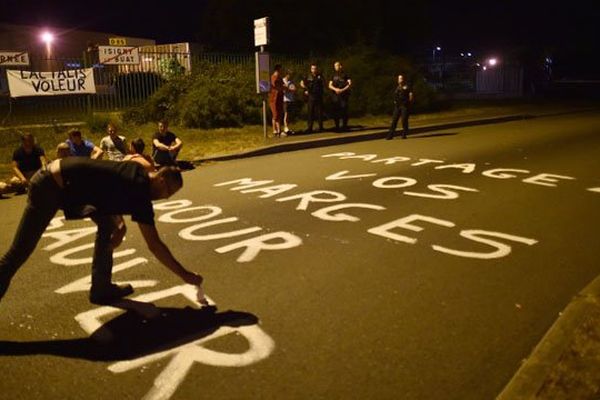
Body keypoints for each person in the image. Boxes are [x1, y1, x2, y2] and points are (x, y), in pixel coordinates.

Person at [0, 157, 203, 305]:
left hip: (66, 184)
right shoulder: (142, 192)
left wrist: (120, 226)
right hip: (49, 185)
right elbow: (155, 245)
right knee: (18, 252)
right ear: (160, 179)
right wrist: (185, 275)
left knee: (108, 227)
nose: (165, 197)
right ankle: (101, 287)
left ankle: (101, 288)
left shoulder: (137, 172)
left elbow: (110, 190)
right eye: (168, 191)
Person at [386, 74, 414, 140]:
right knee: (394, 120)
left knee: (404, 120)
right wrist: (395, 101)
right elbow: (395, 96)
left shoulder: (407, 87)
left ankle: (404, 133)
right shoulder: (397, 88)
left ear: (404, 79)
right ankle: (390, 135)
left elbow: (411, 95)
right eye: (399, 79)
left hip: (404, 106)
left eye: (401, 78)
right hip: (397, 106)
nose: (400, 80)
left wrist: (409, 103)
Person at [300, 64, 325, 133]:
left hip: (319, 96)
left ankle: (321, 127)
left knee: (319, 112)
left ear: (317, 69)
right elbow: (301, 83)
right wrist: (305, 89)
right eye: (312, 68)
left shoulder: (320, 76)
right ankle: (310, 128)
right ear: (311, 69)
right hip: (311, 96)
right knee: (310, 112)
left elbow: (323, 84)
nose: (314, 70)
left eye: (315, 68)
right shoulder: (308, 76)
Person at [328, 61, 352, 132]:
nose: (336, 67)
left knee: (344, 110)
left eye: (337, 65)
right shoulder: (332, 74)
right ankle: (337, 126)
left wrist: (342, 90)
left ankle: (344, 126)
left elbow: (349, 84)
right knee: (336, 111)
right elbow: (329, 85)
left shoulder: (345, 74)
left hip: (343, 95)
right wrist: (336, 89)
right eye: (335, 66)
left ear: (340, 66)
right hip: (335, 95)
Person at [269, 64, 285, 137]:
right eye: (281, 69)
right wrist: (281, 87)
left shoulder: (280, 78)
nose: (282, 71)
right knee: (275, 114)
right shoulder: (273, 77)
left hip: (280, 97)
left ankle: (279, 130)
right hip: (274, 98)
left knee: (279, 114)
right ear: (277, 70)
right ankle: (274, 130)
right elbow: (275, 86)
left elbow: (283, 86)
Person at [282, 70, 297, 135]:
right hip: (285, 100)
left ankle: (288, 127)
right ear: (287, 75)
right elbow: (284, 90)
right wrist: (288, 89)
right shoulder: (283, 81)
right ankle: (285, 127)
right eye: (290, 75)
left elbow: (294, 89)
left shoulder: (291, 81)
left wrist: (289, 89)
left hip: (291, 99)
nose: (290, 76)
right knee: (286, 113)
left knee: (290, 114)